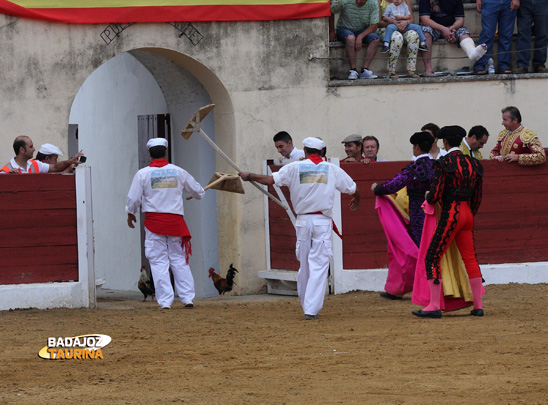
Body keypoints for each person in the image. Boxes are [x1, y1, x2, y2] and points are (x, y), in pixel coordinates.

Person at [238, 137, 360, 320]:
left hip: (303, 222)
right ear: (322, 152)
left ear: (305, 151)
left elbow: (270, 180)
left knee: (304, 266)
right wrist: (356, 198)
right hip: (321, 222)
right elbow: (353, 188)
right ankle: (311, 309)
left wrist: (250, 176)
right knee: (319, 266)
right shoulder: (331, 169)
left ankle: (307, 305)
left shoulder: (295, 167)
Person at [412, 126, 484, 318]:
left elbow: (435, 195)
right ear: (460, 141)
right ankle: (478, 306)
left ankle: (434, 305)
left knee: (432, 257)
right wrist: (469, 214)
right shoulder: (473, 163)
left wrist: (428, 197)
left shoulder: (444, 163)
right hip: (467, 214)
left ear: (445, 142)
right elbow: (477, 197)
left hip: (451, 214)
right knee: (470, 258)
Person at [126, 138, 205, 310]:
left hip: (154, 223)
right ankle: (187, 298)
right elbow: (198, 191)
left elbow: (133, 199)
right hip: (176, 223)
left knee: (158, 262)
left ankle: (165, 302)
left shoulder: (143, 174)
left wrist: (130, 213)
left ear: (149, 154)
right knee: (179, 260)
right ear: (166, 152)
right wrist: (200, 193)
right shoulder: (178, 172)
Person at [372, 132, 435, 299]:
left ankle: (419, 289)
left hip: (417, 214)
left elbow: (394, 185)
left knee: (414, 250)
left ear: (417, 147)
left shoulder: (416, 168)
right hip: (437, 212)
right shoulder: (437, 166)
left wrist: (377, 188)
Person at [419, 0, 487, 77]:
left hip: (451, 28)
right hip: (432, 28)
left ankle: (472, 52)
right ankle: (428, 69)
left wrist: (452, 28)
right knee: (425, 33)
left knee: (463, 32)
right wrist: (444, 29)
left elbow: (460, 20)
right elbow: (425, 20)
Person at [331, 0, 380, 80]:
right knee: (351, 38)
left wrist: (360, 36)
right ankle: (353, 70)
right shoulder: (345, 1)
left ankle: (364, 70)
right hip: (344, 28)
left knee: (375, 39)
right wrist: (332, 31)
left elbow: (374, 25)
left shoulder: (373, 2)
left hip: (362, 30)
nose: (358, 1)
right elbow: (330, 10)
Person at [377, 0, 421, 78]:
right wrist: (392, 23)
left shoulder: (405, 1)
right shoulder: (379, 1)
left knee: (414, 36)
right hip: (387, 29)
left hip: (404, 27)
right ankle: (391, 70)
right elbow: (378, 22)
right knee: (397, 37)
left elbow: (411, 19)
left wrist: (405, 23)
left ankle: (411, 69)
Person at [473, 0, 519, 74]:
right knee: (486, 34)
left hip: (508, 2)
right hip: (489, 2)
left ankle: (504, 65)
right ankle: (480, 65)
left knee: (506, 35)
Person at [1, 136, 83, 174]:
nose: (34, 149)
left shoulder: (35, 164)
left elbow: (55, 167)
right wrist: (9, 179)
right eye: (30, 147)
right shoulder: (6, 172)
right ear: (22, 150)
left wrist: (70, 161)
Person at [515, 0, 548, 73]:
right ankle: (522, 64)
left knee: (543, 34)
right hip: (524, 2)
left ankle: (539, 64)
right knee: (523, 33)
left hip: (543, 2)